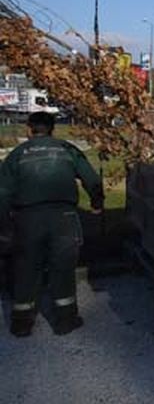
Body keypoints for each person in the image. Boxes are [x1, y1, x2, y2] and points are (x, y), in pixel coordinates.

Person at [0, 111, 104, 337]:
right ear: (52, 129)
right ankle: (65, 321)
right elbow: (92, 180)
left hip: (28, 220)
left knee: (26, 268)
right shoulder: (67, 150)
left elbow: (3, 193)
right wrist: (97, 203)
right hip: (64, 218)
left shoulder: (17, 154)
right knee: (63, 269)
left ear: (29, 129)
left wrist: (4, 226)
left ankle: (21, 323)